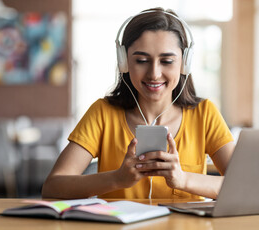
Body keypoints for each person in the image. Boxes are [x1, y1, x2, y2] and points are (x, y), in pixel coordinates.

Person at [42, 7, 235, 200]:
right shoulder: (103, 113)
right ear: (124, 62)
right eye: (142, 60)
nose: (154, 73)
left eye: (167, 61)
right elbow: (53, 186)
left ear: (185, 64)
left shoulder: (204, 114)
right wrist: (117, 179)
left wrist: (183, 179)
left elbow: (243, 185)